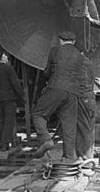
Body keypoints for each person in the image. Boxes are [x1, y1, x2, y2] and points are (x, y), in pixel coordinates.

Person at [32, 30, 83, 162]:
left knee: (38, 114)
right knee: (69, 125)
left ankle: (46, 139)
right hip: (73, 92)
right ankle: (69, 158)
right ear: (74, 42)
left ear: (60, 40)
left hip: (56, 87)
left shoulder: (55, 51)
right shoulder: (79, 55)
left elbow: (47, 72)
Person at [0, 53, 25, 151]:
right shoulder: (8, 68)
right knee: (9, 122)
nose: (7, 57)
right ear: (2, 58)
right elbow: (15, 83)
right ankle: (4, 144)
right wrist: (22, 95)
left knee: (1, 120)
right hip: (9, 99)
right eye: (5, 55)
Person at [76, 52, 96, 160]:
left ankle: (84, 158)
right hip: (91, 98)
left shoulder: (78, 65)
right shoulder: (90, 63)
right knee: (90, 129)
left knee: (82, 129)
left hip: (82, 98)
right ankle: (89, 155)